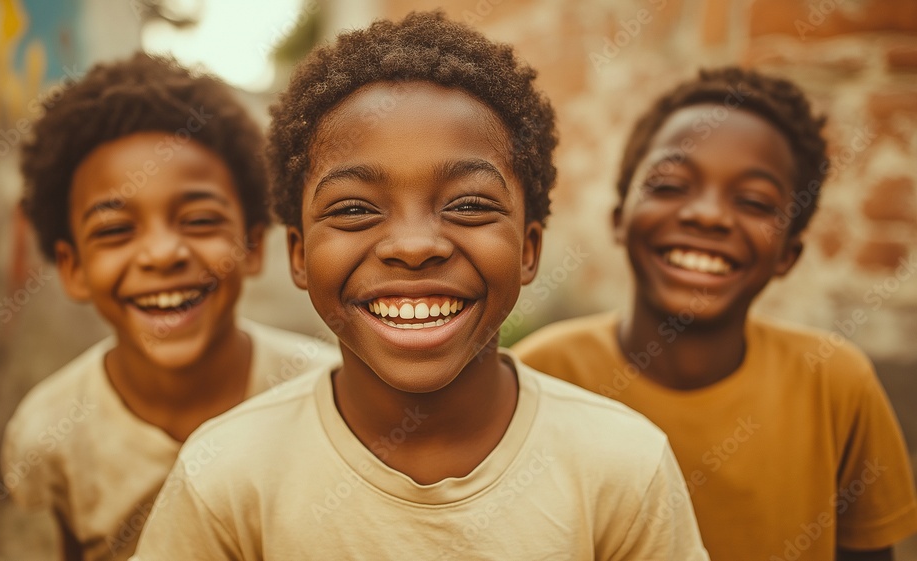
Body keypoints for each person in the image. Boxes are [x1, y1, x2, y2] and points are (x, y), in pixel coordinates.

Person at [132, 11, 709, 560]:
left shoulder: (624, 467)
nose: (413, 245)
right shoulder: (225, 476)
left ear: (529, 248)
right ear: (300, 255)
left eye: (469, 205)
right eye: (356, 209)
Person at [514, 66, 917, 560]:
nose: (707, 214)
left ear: (789, 252)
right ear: (619, 220)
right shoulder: (540, 374)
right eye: (668, 185)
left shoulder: (836, 384)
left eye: (753, 201)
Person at [1, 52, 340, 561]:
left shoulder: (332, 395)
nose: (163, 254)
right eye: (115, 230)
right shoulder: (49, 431)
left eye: (200, 221)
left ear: (251, 247)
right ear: (73, 267)